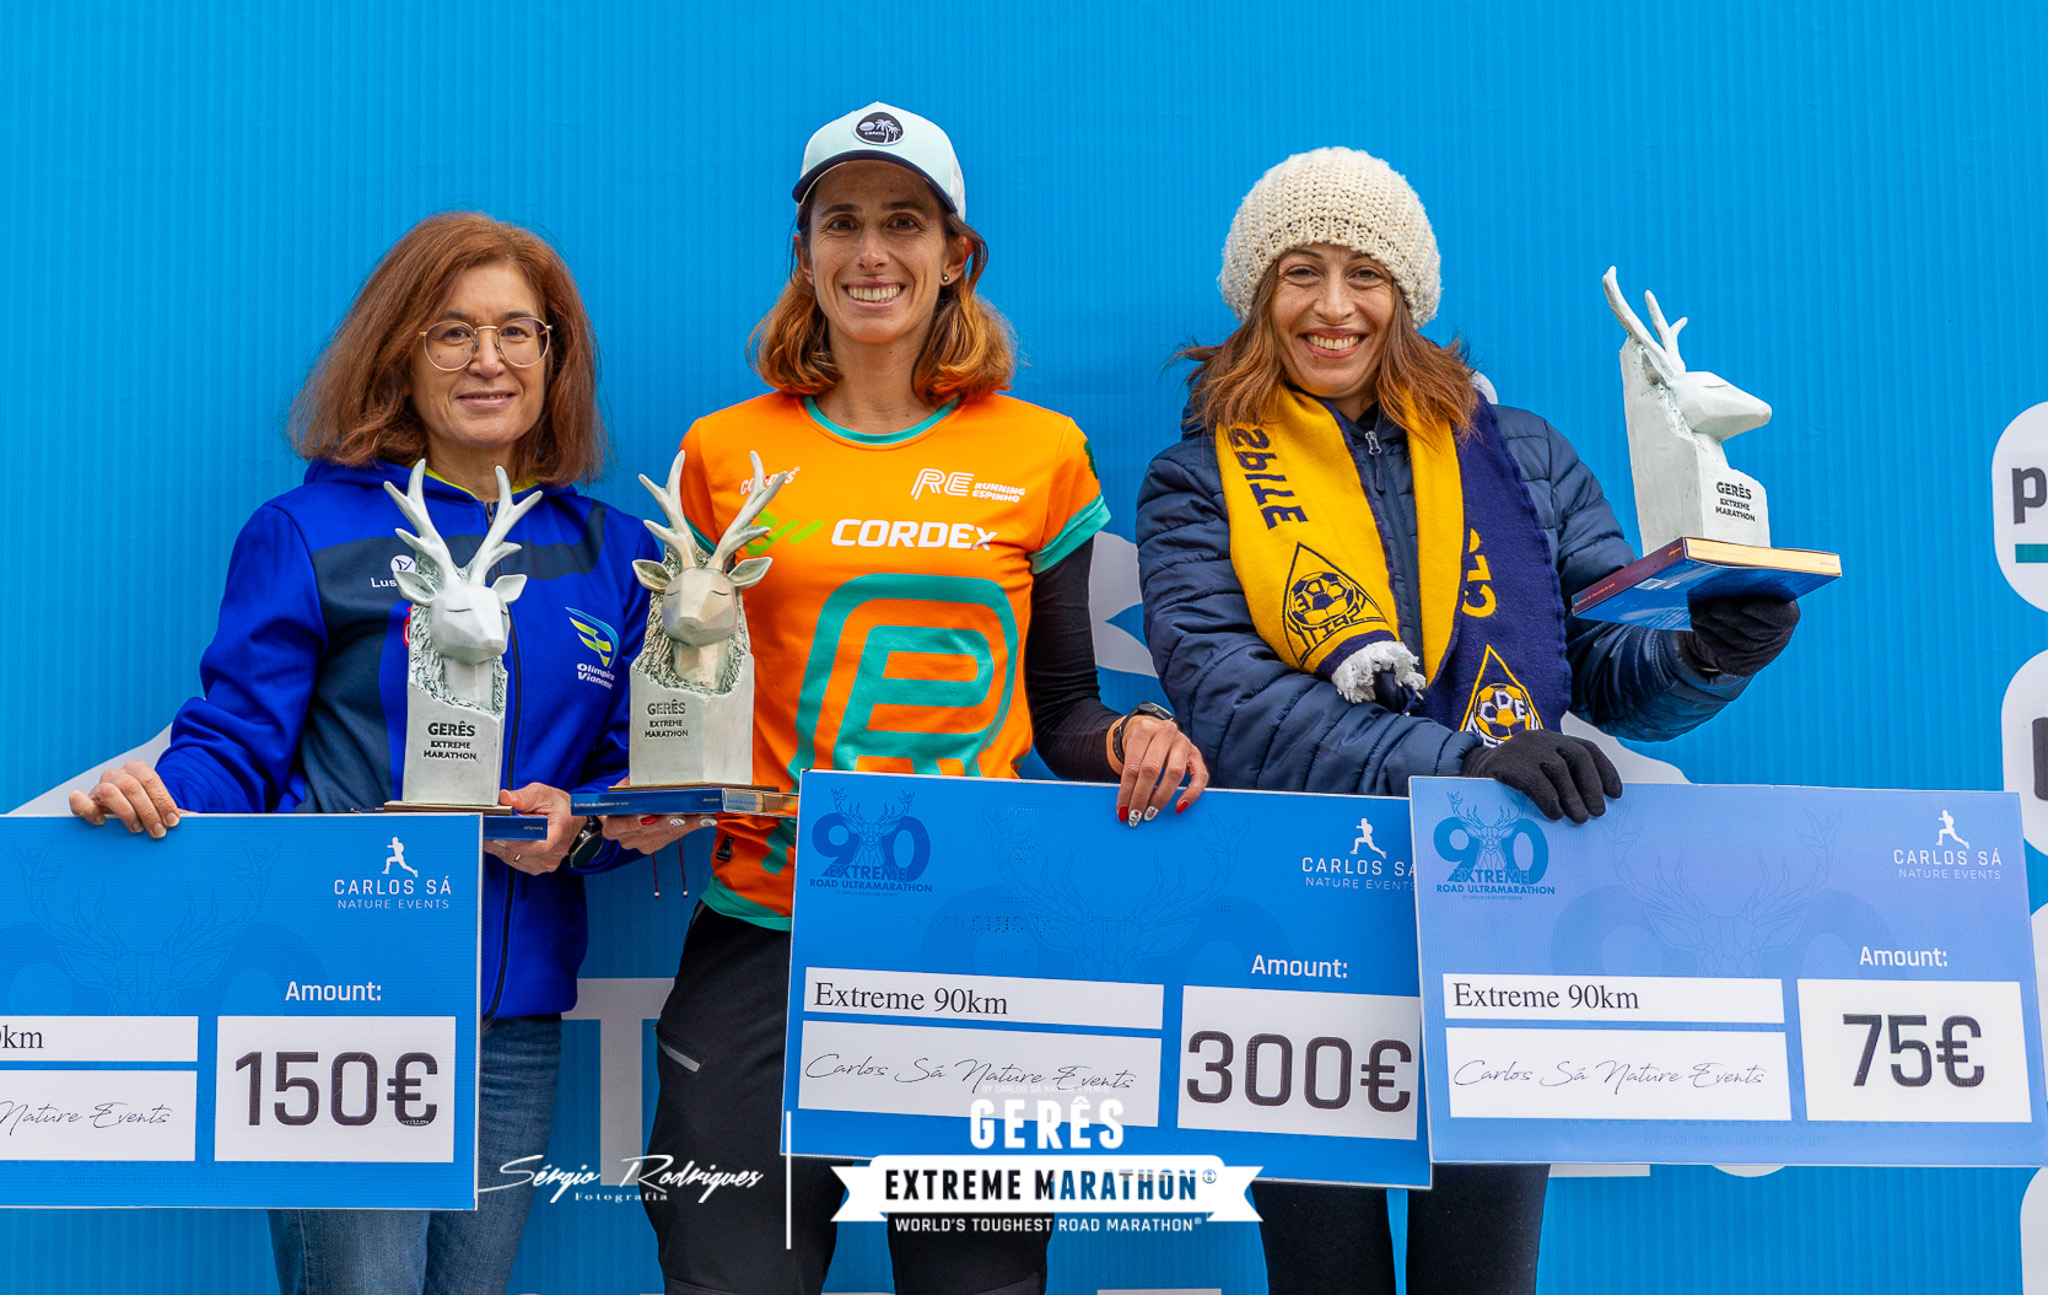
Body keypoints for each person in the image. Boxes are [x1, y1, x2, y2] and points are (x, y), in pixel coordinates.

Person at [1135, 148, 1800, 1295]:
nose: (1332, 306)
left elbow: (1607, 657)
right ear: (1257, 296)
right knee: (1322, 1274)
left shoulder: (1522, 456)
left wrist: (1705, 652)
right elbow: (1234, 708)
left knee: (1482, 1276)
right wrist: (1462, 761)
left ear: (1407, 298)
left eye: (1364, 274)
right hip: (1297, 920)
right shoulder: (1195, 483)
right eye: (1299, 272)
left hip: (1503, 908)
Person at [611, 101, 1209, 1295]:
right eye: (842, 222)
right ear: (804, 254)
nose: (870, 252)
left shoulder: (1036, 450)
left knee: (975, 1287)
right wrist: (651, 792)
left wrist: (1133, 732)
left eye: (902, 222)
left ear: (955, 255)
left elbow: (1060, 709)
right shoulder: (723, 453)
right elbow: (679, 701)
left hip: (969, 943)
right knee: (729, 1277)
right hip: (764, 930)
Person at [69, 212, 656, 1295]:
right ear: (400, 351)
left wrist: (582, 823)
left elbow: (633, 774)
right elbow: (236, 744)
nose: (489, 359)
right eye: (451, 332)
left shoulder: (612, 551)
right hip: (341, 997)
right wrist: (154, 792)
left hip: (513, 1017)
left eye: (518, 332)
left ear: (554, 357)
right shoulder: (309, 529)